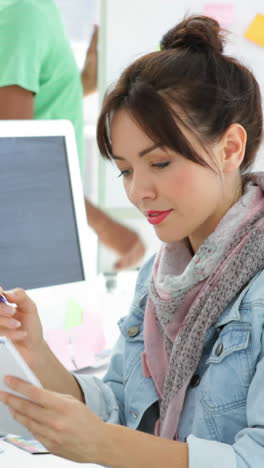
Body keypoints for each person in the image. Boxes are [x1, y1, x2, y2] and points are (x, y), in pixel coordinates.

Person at [0, 14, 263, 468]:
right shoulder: (161, 274)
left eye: (159, 163)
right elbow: (121, 408)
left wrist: (103, 445)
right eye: (125, 169)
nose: (137, 191)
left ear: (230, 149)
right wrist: (35, 351)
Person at [0, 0, 145, 270]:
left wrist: (81, 85)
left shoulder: (34, 10)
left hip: (40, 226)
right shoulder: (23, 13)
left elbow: (28, 112)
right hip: (28, 232)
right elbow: (13, 154)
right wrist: (104, 226)